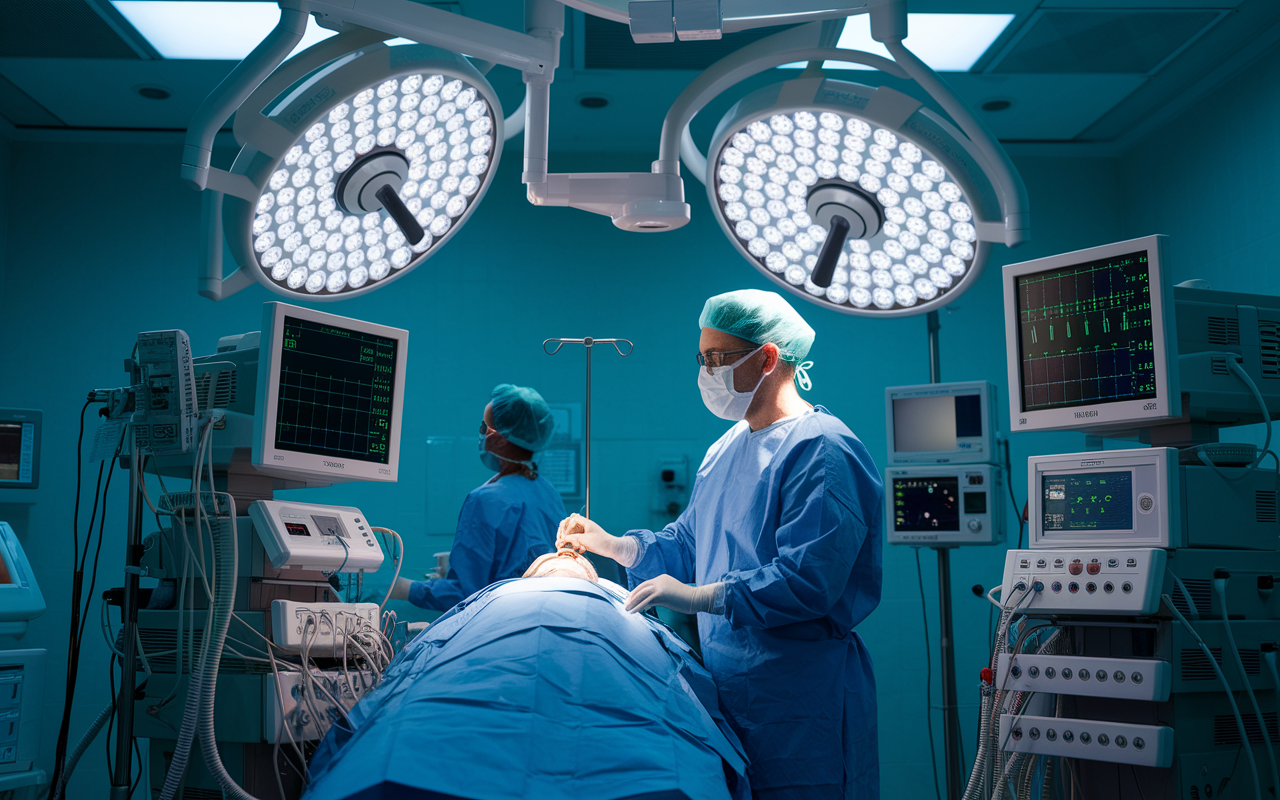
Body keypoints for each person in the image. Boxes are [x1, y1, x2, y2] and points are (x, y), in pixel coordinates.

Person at [558, 289, 884, 800]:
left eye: (718, 358)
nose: (707, 372)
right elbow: (689, 543)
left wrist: (700, 598)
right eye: (702, 358)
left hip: (801, 702)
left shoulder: (823, 449)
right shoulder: (726, 447)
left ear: (768, 357)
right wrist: (617, 546)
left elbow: (809, 580)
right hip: (731, 689)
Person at [304, 564, 750, 800]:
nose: (569, 555)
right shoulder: (492, 596)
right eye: (554, 555)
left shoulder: (622, 603)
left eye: (579, 556)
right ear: (529, 572)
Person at [391, 383, 567, 610]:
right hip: (548, 616)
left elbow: (466, 595)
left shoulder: (485, 500)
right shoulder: (548, 492)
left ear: (502, 438)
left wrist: (404, 588)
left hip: (505, 624)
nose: (481, 433)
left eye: (485, 427)